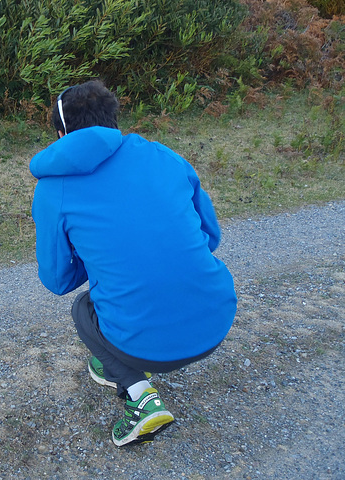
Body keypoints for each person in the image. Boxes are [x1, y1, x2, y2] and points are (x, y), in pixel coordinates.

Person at [29, 79, 237, 447]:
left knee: (83, 307)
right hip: (218, 321)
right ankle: (111, 362)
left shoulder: (52, 189)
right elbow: (211, 237)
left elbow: (58, 281)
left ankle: (141, 396)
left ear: (61, 134)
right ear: (113, 119)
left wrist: (97, 259)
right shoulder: (164, 155)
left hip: (147, 346)